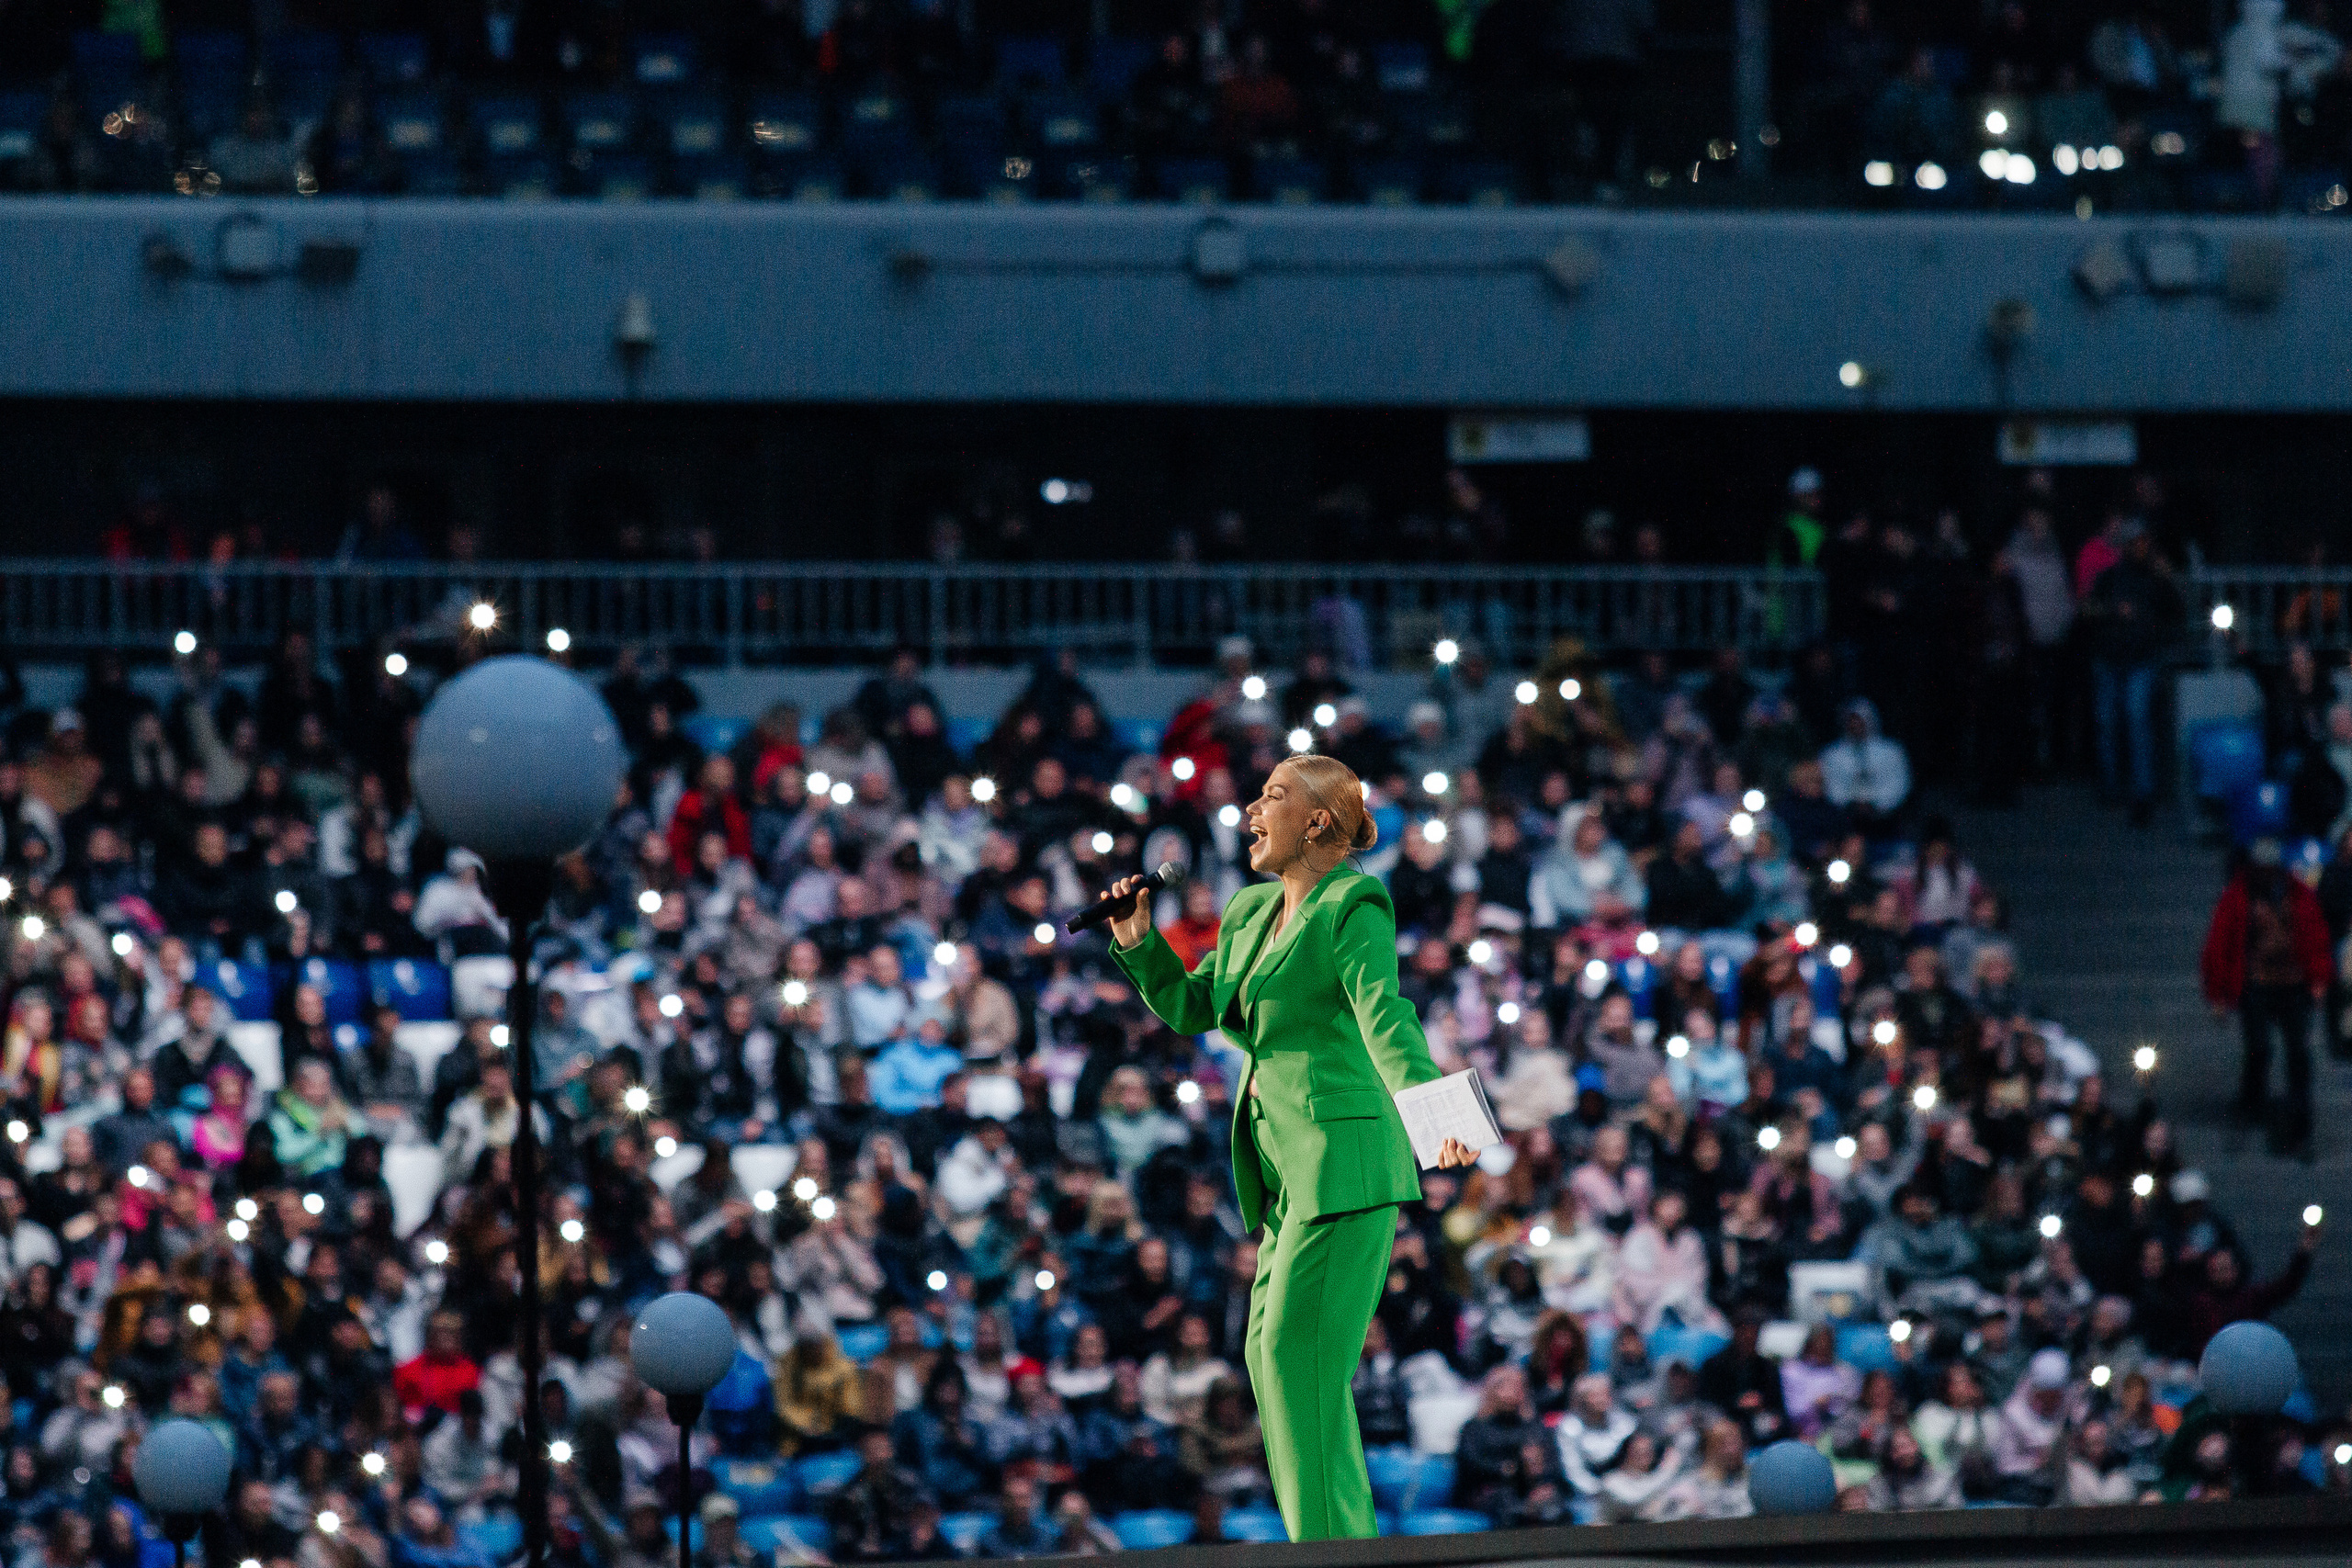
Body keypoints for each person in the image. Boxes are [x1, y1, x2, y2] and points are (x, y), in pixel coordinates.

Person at [1104, 753, 1475, 1540]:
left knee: (1294, 1356)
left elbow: (1387, 1014)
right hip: (1283, 1174)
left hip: (1347, 1164)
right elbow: (1194, 1006)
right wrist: (1140, 942)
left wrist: (1442, 1115)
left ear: (1316, 821)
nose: (1248, 810)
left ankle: (1330, 1551)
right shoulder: (1244, 911)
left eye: (1270, 795)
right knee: (1272, 1361)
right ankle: (1338, 1542)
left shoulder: (1354, 900)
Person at [2199, 840, 2331, 1157]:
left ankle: (2300, 1125)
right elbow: (2220, 944)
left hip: (2292, 984)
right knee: (2258, 1047)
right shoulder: (2238, 897)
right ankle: (2251, 1102)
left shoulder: (2296, 893)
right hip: (2256, 983)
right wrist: (2219, 994)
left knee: (2299, 1054)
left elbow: (2315, 934)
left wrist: (2318, 977)